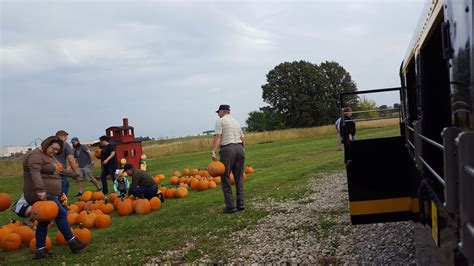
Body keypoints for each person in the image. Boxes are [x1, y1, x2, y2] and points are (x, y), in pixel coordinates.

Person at [23, 136, 87, 259]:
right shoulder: (35, 156)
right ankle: (72, 242)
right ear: (47, 144)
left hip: (49, 194)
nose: (55, 152)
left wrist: (72, 175)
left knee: (44, 221)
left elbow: (58, 171)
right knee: (61, 213)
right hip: (41, 194)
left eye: (58, 150)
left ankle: (40, 250)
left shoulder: (49, 157)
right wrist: (40, 189)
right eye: (54, 148)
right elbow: (35, 173)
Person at [211, 104, 245, 214]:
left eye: (218, 112)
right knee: (238, 177)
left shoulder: (220, 121)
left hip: (228, 149)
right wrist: (242, 149)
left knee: (225, 177)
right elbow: (242, 138)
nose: (218, 114)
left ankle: (230, 206)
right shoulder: (236, 121)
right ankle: (241, 203)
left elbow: (218, 136)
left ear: (223, 111)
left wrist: (213, 150)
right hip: (239, 148)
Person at [55, 130, 79, 196]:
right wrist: (76, 173)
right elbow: (71, 161)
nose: (66, 138)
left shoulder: (50, 144)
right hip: (61, 173)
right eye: (66, 137)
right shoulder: (65, 144)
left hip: (49, 173)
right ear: (63, 136)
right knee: (63, 197)